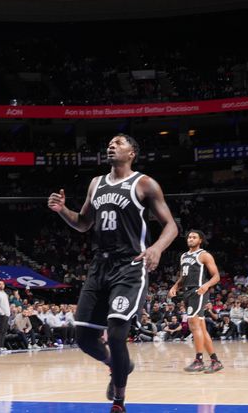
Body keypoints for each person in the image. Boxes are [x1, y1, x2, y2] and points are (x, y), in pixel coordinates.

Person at [48, 134, 178, 413]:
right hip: (100, 266)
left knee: (118, 336)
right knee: (83, 338)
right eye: (109, 142)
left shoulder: (144, 183)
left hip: (129, 266)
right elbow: (83, 224)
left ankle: (119, 400)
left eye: (119, 142)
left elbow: (171, 226)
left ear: (132, 152)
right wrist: (62, 211)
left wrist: (156, 249)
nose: (111, 145)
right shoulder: (96, 183)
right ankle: (117, 366)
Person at [168, 229, 223, 373]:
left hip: (198, 291)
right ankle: (215, 361)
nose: (190, 239)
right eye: (189, 237)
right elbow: (183, 276)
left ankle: (199, 360)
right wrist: (175, 286)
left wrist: (206, 285)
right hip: (187, 292)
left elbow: (216, 276)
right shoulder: (184, 256)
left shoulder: (204, 255)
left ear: (200, 240)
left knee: (193, 323)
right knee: (202, 328)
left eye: (194, 237)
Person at [0, 280, 11, 352]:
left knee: (4, 331)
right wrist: (2, 313)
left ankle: (2, 346)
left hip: (6, 315)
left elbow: (6, 305)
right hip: (1, 315)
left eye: (2, 284)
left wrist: (8, 313)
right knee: (0, 331)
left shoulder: (5, 294)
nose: (1, 285)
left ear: (4, 285)